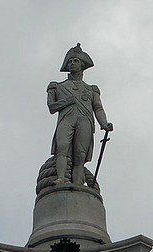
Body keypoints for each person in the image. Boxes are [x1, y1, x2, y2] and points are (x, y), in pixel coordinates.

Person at [47, 44, 113, 186]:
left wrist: (104, 123)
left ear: (82, 65)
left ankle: (77, 184)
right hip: (66, 118)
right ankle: (61, 178)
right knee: (62, 148)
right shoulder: (57, 86)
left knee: (80, 155)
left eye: (76, 61)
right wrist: (67, 101)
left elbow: (98, 108)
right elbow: (52, 107)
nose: (72, 64)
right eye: (70, 61)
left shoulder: (91, 89)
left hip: (85, 120)